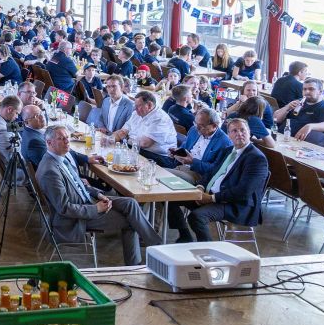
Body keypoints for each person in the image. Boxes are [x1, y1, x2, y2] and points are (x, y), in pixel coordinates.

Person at [37, 124, 161, 266]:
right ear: (49, 142)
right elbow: (64, 209)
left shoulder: (62, 158)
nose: (67, 141)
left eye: (67, 137)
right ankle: (139, 263)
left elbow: (79, 185)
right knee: (131, 221)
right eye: (61, 139)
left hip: (87, 200)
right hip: (76, 218)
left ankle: (157, 247)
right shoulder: (50, 170)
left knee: (131, 203)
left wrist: (99, 194)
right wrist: (96, 209)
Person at [167, 118, 268, 243]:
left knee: (197, 217)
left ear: (249, 132)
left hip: (235, 204)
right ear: (229, 135)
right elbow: (211, 173)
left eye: (243, 130)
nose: (239, 134)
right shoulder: (227, 151)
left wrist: (211, 198)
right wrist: (200, 187)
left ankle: (208, 253)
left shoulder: (256, 158)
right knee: (171, 198)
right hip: (210, 195)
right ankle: (185, 235)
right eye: (234, 131)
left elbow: (243, 192)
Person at [112, 91, 177, 166]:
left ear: (149, 105)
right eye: (135, 106)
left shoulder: (160, 118)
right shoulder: (136, 114)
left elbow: (145, 143)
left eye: (138, 106)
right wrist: (110, 139)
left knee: (121, 160)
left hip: (159, 157)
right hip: (137, 149)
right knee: (112, 154)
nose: (135, 109)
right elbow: (122, 132)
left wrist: (126, 139)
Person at [168, 108, 231, 181]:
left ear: (214, 126)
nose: (197, 128)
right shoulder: (194, 130)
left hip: (199, 175)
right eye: (195, 123)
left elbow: (216, 169)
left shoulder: (225, 142)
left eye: (201, 125)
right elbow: (184, 147)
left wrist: (193, 162)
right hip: (181, 167)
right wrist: (176, 153)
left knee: (163, 175)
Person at [0, 95, 23, 167]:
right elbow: (16, 161)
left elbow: (14, 128)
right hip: (16, 171)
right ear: (9, 109)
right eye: (17, 113)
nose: (17, 117)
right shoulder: (2, 131)